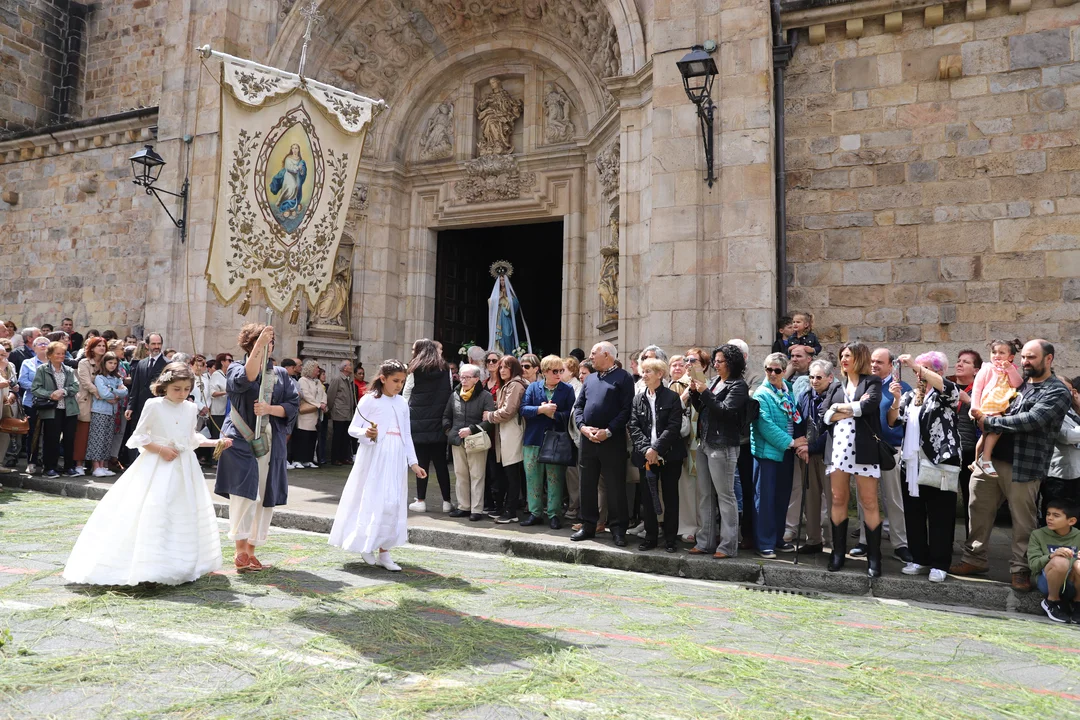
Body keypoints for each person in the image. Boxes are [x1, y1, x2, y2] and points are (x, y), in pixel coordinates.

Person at [62, 362, 229, 585]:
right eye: (176, 389)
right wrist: (160, 449)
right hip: (157, 464)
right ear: (165, 386)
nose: (182, 394)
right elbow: (139, 436)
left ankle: (180, 562)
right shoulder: (154, 405)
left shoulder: (190, 408)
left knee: (181, 510)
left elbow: (190, 438)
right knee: (155, 507)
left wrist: (215, 442)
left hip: (184, 466)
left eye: (186, 389)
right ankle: (150, 564)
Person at [957, 340, 1072, 591]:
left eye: (1032, 357)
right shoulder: (1017, 382)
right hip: (990, 461)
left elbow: (1032, 420)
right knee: (977, 510)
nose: (1025, 362)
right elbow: (986, 399)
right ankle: (974, 559)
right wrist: (980, 413)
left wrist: (990, 422)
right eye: (1024, 357)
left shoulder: (1056, 391)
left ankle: (1021, 569)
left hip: (1024, 465)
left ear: (1049, 359)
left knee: (1022, 521)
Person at [215, 324, 299, 572]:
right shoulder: (235, 367)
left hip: (272, 441)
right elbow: (246, 379)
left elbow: (292, 404)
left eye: (269, 343)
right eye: (260, 343)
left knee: (264, 494)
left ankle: (252, 549)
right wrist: (259, 345)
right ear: (249, 346)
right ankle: (240, 549)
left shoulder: (281, 374)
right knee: (244, 494)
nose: (266, 347)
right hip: (242, 439)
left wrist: (270, 409)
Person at [329, 359, 427, 572]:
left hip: (396, 457)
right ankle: (367, 544)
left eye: (402, 381)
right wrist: (366, 432)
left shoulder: (402, 403)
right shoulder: (369, 400)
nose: (399, 385)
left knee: (393, 502)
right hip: (375, 456)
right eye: (395, 381)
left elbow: (406, 434)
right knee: (373, 499)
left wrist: (413, 462)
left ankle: (385, 551)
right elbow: (353, 428)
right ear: (383, 378)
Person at [887, 352, 963, 583]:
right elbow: (893, 421)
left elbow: (949, 389)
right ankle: (919, 558)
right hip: (912, 462)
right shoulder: (911, 396)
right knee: (914, 512)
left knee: (941, 514)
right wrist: (895, 400)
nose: (918, 373)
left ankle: (940, 563)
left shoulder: (945, 393)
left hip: (940, 460)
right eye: (917, 370)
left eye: (924, 369)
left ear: (939, 372)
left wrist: (914, 364)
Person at [821, 342, 884, 577]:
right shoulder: (837, 386)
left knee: (869, 501)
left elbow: (869, 406)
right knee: (838, 499)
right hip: (838, 449)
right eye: (842, 356)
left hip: (864, 450)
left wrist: (839, 409)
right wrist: (849, 408)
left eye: (848, 355)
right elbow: (825, 415)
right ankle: (838, 553)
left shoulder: (872, 382)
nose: (844, 359)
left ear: (860, 357)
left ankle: (874, 557)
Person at [688, 344, 749, 558]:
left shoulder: (738, 386)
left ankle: (727, 545)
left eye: (720, 361)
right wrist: (695, 393)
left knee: (726, 496)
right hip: (705, 442)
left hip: (723, 445)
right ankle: (704, 542)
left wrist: (704, 393)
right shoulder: (714, 381)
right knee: (705, 495)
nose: (715, 364)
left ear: (731, 363)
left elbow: (725, 411)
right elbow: (703, 409)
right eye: (715, 361)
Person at [572, 342, 634, 546]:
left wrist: (608, 431)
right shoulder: (590, 379)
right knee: (587, 484)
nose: (590, 357)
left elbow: (626, 410)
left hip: (612, 440)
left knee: (615, 486)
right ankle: (588, 525)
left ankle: (618, 529)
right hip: (588, 439)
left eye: (593, 353)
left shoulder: (624, 378)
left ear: (606, 355)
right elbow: (579, 406)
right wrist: (582, 427)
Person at [750, 353, 805, 558]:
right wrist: (792, 442)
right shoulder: (761, 394)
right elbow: (765, 425)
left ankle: (777, 538)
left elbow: (795, 416)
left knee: (782, 497)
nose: (772, 374)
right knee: (765, 499)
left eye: (777, 370)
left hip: (786, 453)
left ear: (784, 371)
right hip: (768, 453)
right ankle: (764, 542)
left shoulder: (787, 389)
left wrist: (799, 441)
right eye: (768, 369)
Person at [628, 357, 685, 552]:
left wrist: (657, 449)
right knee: (648, 497)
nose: (643, 375)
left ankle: (670, 539)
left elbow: (674, 427)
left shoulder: (672, 397)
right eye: (643, 371)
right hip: (645, 457)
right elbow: (633, 426)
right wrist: (647, 450)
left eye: (648, 372)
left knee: (670, 497)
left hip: (669, 455)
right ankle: (650, 537)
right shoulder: (638, 399)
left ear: (660, 374)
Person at [520, 355, 575, 529]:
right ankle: (535, 513)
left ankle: (554, 514)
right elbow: (523, 409)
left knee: (555, 479)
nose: (558, 374)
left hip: (556, 441)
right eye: (555, 371)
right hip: (533, 439)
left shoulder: (567, 389)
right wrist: (540, 409)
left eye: (561, 371)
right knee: (533, 478)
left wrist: (554, 415)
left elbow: (572, 414)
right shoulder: (533, 387)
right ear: (544, 372)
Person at [405, 339, 453, 513]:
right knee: (441, 464)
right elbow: (449, 390)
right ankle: (447, 502)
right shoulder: (445, 368)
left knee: (421, 463)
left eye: (414, 349)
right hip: (439, 422)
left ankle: (421, 500)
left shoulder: (414, 369)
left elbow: (406, 393)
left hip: (418, 423)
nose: (412, 352)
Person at [793, 358, 835, 555]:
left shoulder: (835, 396)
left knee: (834, 500)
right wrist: (801, 445)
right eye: (811, 377)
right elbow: (798, 421)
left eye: (819, 377)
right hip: (808, 454)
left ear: (830, 377)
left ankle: (836, 543)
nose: (814, 381)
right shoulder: (804, 396)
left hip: (829, 455)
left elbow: (831, 430)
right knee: (810, 499)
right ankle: (813, 540)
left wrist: (812, 447)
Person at [444, 363, 495, 520]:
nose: (463, 380)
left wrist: (471, 430)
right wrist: (449, 432)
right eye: (462, 377)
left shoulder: (485, 396)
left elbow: (489, 421)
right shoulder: (454, 394)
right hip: (457, 440)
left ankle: (476, 510)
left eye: (467, 377)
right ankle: (463, 507)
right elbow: (446, 416)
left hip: (476, 441)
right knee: (460, 474)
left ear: (476, 379)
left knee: (477, 475)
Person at [970, 339, 1024, 478]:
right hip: (990, 404)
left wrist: (1010, 369)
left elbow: (1018, 383)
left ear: (1010, 357)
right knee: (997, 427)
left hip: (1001, 405)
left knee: (986, 435)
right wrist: (974, 407)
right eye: (994, 352)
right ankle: (986, 459)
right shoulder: (987, 368)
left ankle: (976, 461)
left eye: (1001, 352)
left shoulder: (1010, 370)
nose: (997, 355)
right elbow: (977, 389)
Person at [486, 355, 528, 523]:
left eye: (506, 367)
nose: (502, 370)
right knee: (507, 472)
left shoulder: (515, 385)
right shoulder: (508, 384)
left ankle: (511, 512)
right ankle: (506, 508)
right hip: (505, 431)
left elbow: (508, 411)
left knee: (512, 473)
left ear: (514, 369)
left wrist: (490, 415)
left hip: (512, 431)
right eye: (501, 367)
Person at [31, 341, 80, 478]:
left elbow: (76, 386)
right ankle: (49, 468)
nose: (61, 356)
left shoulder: (69, 370)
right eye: (58, 353)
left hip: (69, 409)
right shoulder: (42, 369)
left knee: (69, 439)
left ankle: (69, 467)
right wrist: (50, 394)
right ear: (50, 355)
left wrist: (63, 391)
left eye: (63, 353)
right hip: (51, 409)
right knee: (51, 439)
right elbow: (35, 388)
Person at [1028, 500, 1080, 623]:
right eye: (1048, 514)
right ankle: (1052, 601)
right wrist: (1052, 556)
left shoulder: (1078, 536)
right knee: (1060, 562)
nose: (1050, 518)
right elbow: (1033, 565)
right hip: (1046, 582)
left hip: (1072, 583)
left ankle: (1077, 603)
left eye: (1056, 515)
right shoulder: (1038, 535)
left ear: (1071, 521)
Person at [951, 349, 982, 536]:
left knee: (972, 499)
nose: (959, 364)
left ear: (976, 370)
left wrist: (969, 401)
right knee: (946, 499)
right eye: (958, 360)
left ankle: (972, 543)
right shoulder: (948, 388)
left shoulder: (980, 391)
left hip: (970, 452)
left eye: (966, 362)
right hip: (948, 451)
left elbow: (985, 417)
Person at [668, 354, 698, 544]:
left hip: (702, 441)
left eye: (693, 361)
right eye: (679, 363)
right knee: (687, 486)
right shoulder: (676, 386)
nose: (687, 365)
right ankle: (688, 526)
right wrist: (686, 395)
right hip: (685, 442)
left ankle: (704, 526)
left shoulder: (706, 384)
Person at [124, 333, 167, 455]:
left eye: (159, 344)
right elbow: (135, 387)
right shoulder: (141, 363)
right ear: (147, 345)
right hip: (140, 408)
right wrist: (130, 406)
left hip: (159, 408)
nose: (157, 346)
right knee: (138, 437)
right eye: (153, 344)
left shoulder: (168, 364)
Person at [1045, 377, 1080, 523]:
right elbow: (1065, 436)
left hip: (1077, 475)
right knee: (1056, 517)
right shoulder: (1059, 412)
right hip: (1059, 476)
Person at [87, 352, 127, 477]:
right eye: (110, 363)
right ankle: (96, 466)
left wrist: (112, 391)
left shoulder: (116, 378)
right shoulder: (99, 377)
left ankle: (103, 465)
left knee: (107, 439)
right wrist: (116, 393)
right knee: (98, 438)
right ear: (104, 363)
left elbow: (125, 392)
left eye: (115, 363)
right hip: (100, 411)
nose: (112, 365)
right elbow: (104, 394)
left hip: (112, 411)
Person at [72, 337, 106, 475]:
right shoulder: (84, 363)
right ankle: (78, 464)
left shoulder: (106, 362)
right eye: (99, 345)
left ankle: (96, 465)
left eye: (104, 345)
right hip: (87, 400)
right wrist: (100, 393)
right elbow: (85, 382)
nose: (102, 348)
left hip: (102, 403)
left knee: (98, 435)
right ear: (91, 348)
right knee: (82, 434)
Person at [19, 336, 50, 473]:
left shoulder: (54, 363)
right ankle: (31, 462)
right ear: (34, 347)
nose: (43, 345)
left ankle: (47, 463)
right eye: (40, 343)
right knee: (33, 433)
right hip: (32, 403)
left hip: (51, 403)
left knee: (49, 433)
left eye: (46, 343)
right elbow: (23, 381)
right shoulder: (28, 363)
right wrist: (40, 390)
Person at [294, 359, 325, 468]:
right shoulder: (302, 380)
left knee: (312, 437)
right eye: (316, 368)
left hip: (315, 413)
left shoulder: (317, 381)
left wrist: (323, 403)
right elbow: (306, 395)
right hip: (306, 413)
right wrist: (318, 404)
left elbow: (323, 394)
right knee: (303, 437)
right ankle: (298, 459)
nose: (318, 370)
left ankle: (308, 459)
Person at [326, 360, 358, 466]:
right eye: (350, 365)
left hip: (348, 413)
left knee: (346, 437)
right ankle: (335, 458)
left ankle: (344, 457)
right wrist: (330, 409)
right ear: (345, 367)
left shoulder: (349, 380)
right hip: (339, 412)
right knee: (338, 436)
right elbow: (331, 395)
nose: (351, 367)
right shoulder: (337, 379)